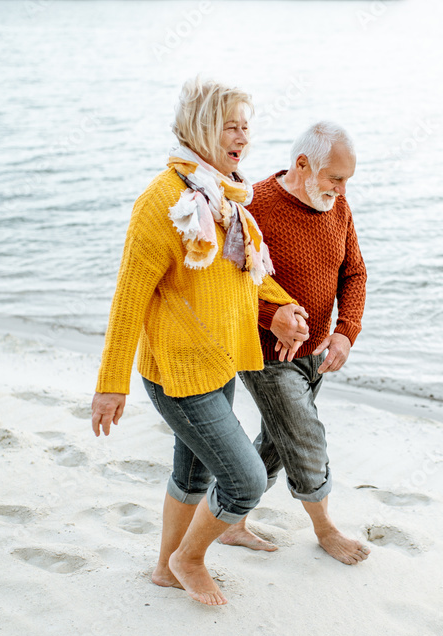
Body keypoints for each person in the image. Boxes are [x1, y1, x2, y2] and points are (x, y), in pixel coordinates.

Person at [90, 77, 309, 605]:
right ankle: (188, 558)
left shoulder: (229, 196)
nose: (243, 137)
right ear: (201, 128)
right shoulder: (164, 201)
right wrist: (110, 385)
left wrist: (281, 309)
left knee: (191, 475)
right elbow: (128, 301)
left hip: (217, 363)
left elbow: (246, 272)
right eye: (231, 126)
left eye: (246, 127)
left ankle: (166, 568)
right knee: (245, 481)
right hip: (177, 373)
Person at [219, 121, 370, 565]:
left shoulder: (337, 209)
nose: (341, 190)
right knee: (304, 438)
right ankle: (325, 530)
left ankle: (229, 520)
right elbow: (226, 286)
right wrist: (271, 317)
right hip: (266, 354)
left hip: (316, 353)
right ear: (302, 164)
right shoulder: (255, 206)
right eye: (335, 179)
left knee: (277, 440)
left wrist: (346, 331)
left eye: (347, 181)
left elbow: (354, 273)